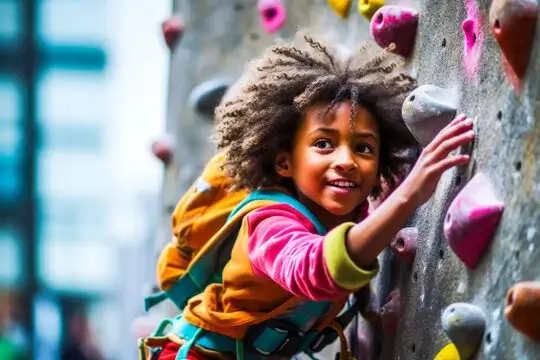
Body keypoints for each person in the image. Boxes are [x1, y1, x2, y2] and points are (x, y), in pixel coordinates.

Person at [156, 31, 474, 360]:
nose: (347, 162)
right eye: (323, 143)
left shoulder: (348, 211)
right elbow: (315, 268)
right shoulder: (267, 223)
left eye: (364, 148)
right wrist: (410, 194)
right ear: (284, 161)